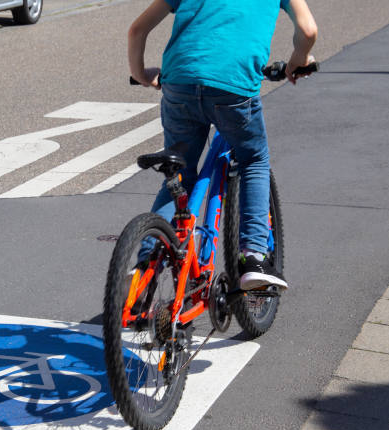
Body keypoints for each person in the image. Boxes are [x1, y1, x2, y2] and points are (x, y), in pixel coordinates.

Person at [127, 0, 317, 290]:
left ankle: (145, 269)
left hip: (179, 82)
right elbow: (308, 30)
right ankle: (253, 255)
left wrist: (141, 74)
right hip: (233, 87)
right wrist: (297, 61)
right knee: (253, 159)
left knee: (180, 173)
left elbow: (137, 29)